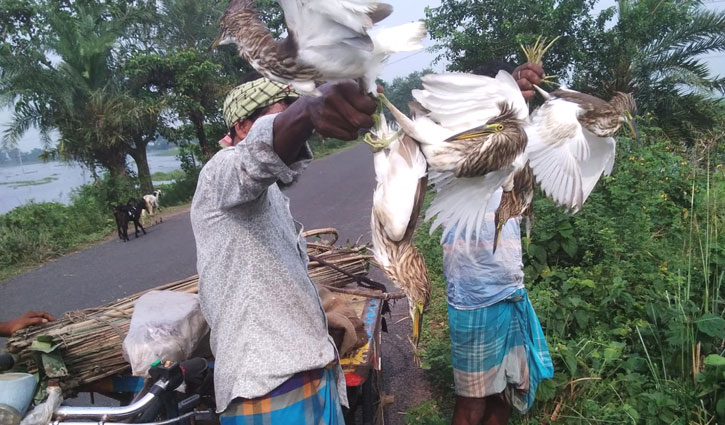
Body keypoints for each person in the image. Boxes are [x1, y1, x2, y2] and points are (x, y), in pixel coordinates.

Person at [190, 75, 376, 425]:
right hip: (269, 388)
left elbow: (275, 161)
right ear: (244, 126)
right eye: (282, 112)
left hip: (305, 374)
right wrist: (307, 109)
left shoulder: (269, 194)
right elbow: (255, 161)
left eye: (295, 111)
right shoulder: (221, 171)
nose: (296, 123)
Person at [445, 61, 554, 425]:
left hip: (511, 293)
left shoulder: (514, 162)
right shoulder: (458, 157)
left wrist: (517, 90)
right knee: (471, 403)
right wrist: (502, 90)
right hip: (474, 302)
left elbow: (521, 124)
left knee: (505, 395)